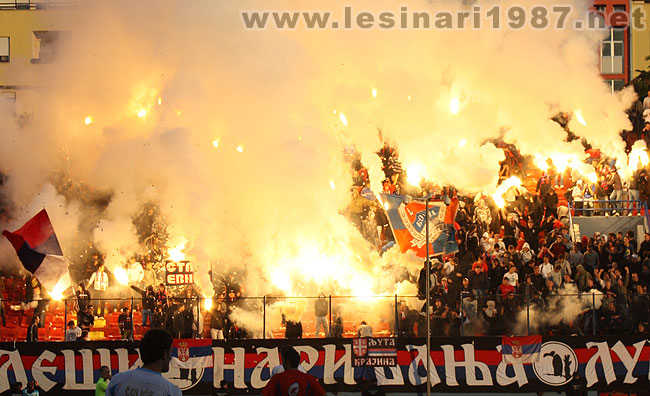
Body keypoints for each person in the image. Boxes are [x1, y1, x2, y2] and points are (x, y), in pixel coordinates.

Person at [106, 329, 181, 396]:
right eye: (171, 351)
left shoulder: (117, 381)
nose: (171, 357)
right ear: (165, 353)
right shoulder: (172, 392)